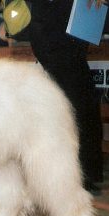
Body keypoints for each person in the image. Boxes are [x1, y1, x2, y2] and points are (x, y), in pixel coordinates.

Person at [29, 0, 106, 191]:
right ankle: (74, 175)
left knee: (83, 103)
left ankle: (84, 172)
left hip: (73, 32)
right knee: (72, 106)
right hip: (52, 33)